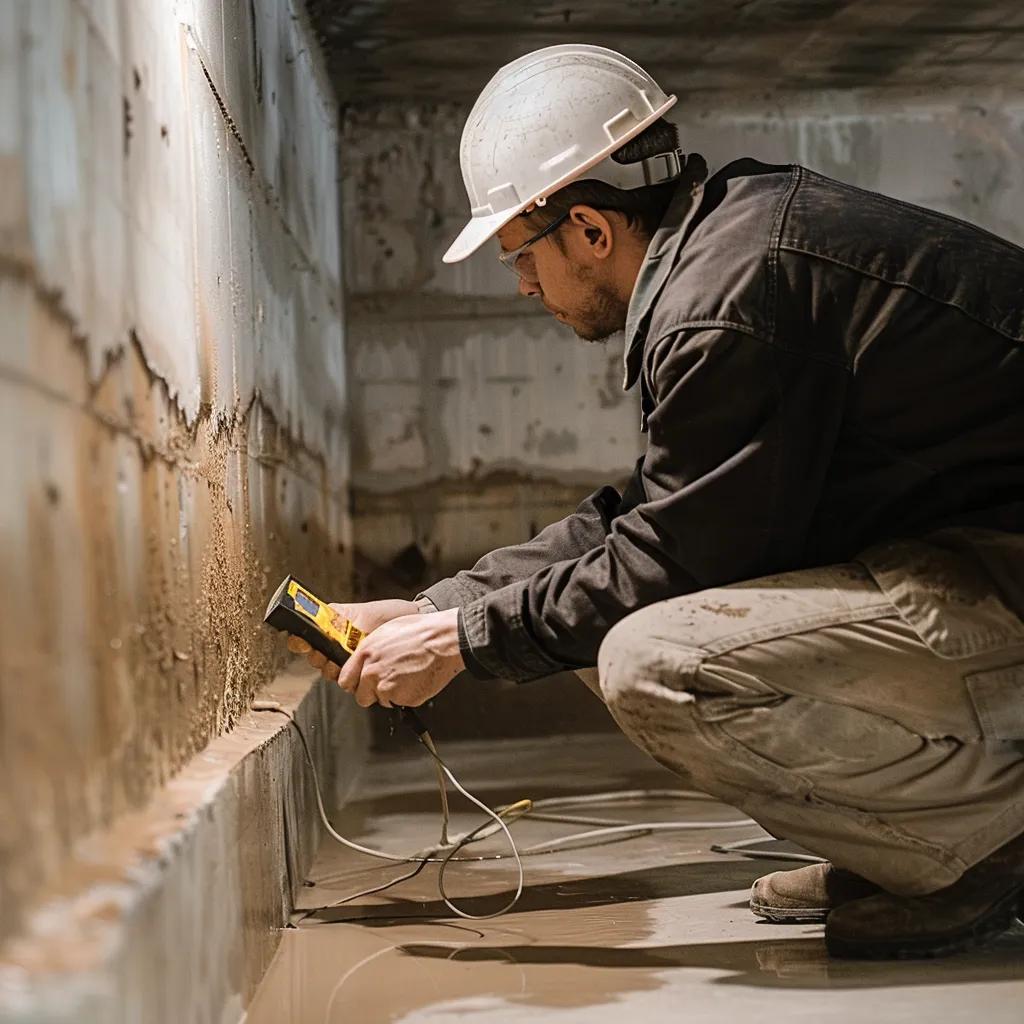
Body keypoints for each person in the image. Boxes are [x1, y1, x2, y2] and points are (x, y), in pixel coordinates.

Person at [289, 44, 1024, 959]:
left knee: (649, 658)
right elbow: (657, 512)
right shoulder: (734, 248)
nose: (522, 284)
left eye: (522, 254)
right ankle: (916, 843)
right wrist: (438, 606)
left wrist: (462, 643)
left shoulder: (727, 302)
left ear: (590, 230)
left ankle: (978, 845)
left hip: (999, 577)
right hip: (978, 563)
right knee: (596, 624)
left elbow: (672, 560)